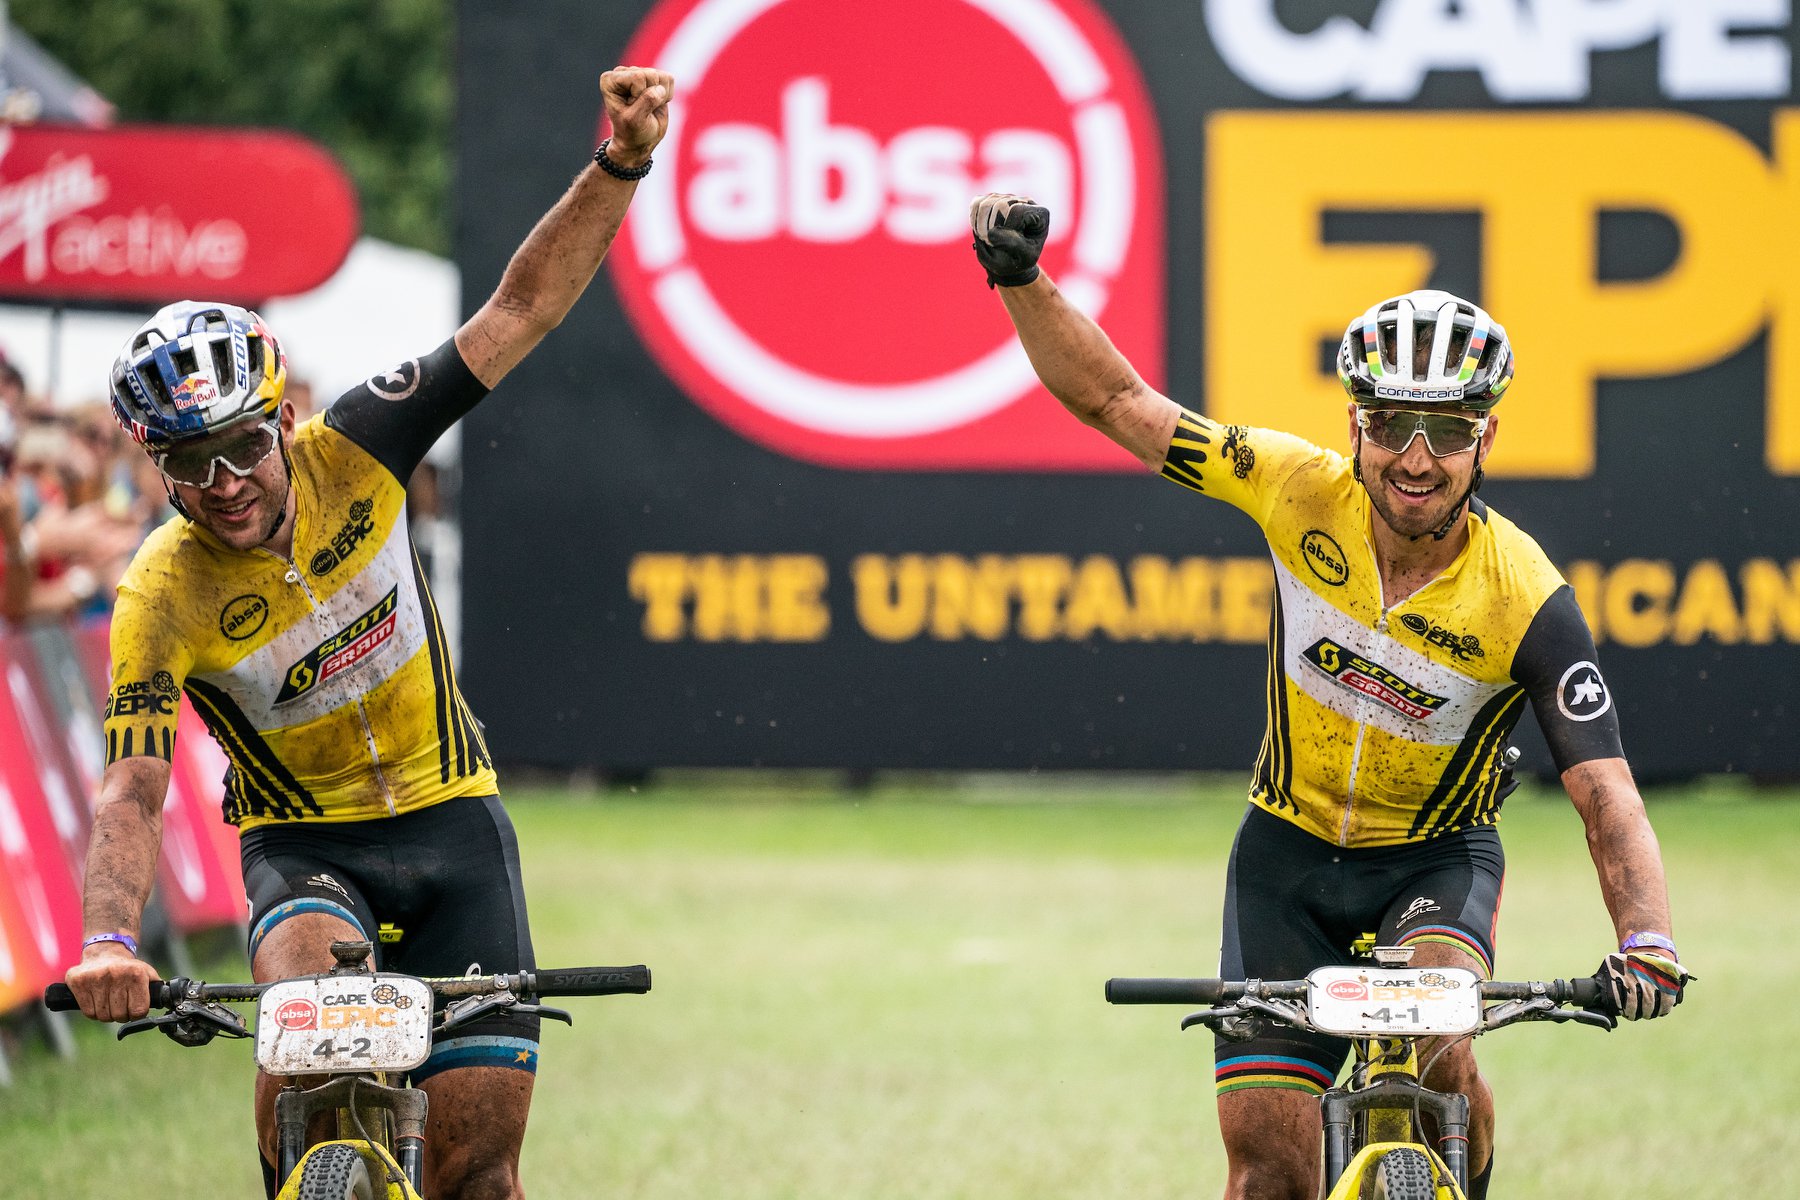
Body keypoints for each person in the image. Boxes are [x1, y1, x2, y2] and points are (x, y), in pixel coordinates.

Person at [968, 194, 1689, 1200]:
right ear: (1357, 421)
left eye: (1448, 430)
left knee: (1437, 1040)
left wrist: (1645, 939)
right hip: (1284, 857)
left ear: (1488, 436)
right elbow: (1119, 405)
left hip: (1434, 862)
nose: (1417, 458)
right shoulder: (1293, 486)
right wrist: (1020, 280)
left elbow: (1607, 796)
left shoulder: (1527, 594)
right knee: (1267, 1169)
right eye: (1391, 424)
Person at [62, 66, 675, 1200]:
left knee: (478, 1179)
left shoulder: (359, 446)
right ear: (157, 469)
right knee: (330, 1093)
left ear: (282, 418)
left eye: (241, 447)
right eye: (189, 468)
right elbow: (131, 792)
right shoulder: (161, 591)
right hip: (308, 850)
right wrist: (108, 939)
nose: (227, 484)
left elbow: (520, 310)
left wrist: (622, 162)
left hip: (456, 829)